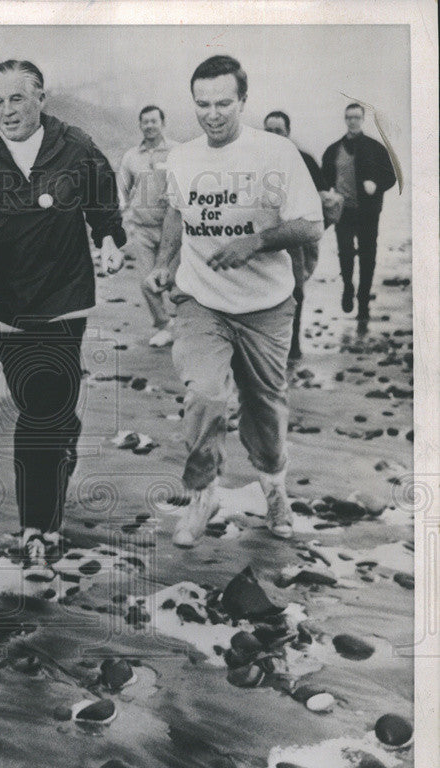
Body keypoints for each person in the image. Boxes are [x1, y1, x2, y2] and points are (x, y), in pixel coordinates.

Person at [0, 59, 125, 563]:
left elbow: (103, 202)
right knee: (43, 405)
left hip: (62, 299)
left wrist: (108, 239)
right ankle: (55, 470)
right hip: (4, 303)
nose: (7, 111)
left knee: (44, 409)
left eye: (17, 99)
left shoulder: (75, 146)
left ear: (41, 96)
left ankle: (39, 527)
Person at [146, 55, 323, 547]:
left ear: (243, 101)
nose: (213, 114)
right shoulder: (182, 158)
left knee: (266, 412)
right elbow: (175, 216)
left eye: (224, 103)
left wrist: (256, 242)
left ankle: (274, 490)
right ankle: (203, 494)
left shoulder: (275, 153)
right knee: (204, 395)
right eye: (203, 104)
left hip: (266, 306)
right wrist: (163, 263)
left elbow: (311, 224)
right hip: (202, 300)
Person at [321, 102, 397, 321]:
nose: (352, 121)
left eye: (356, 117)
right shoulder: (333, 150)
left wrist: (376, 185)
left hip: (368, 213)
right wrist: (327, 197)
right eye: (349, 117)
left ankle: (363, 302)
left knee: (367, 257)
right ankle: (347, 288)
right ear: (345, 119)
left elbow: (392, 177)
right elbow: (323, 180)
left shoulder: (375, 148)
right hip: (343, 212)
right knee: (345, 253)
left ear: (362, 119)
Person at [117, 106, 178, 347]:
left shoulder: (177, 151)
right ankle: (164, 325)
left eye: (154, 121)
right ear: (140, 125)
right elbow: (122, 189)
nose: (150, 126)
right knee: (146, 281)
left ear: (163, 123)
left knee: (175, 281)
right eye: (145, 122)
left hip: (172, 227)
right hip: (141, 227)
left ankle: (185, 326)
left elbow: (189, 184)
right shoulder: (132, 156)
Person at [263, 110, 322, 360]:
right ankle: (267, 346)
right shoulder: (255, 160)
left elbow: (322, 198)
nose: (274, 135)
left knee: (295, 290)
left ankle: (294, 345)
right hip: (263, 237)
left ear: (288, 132)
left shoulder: (305, 160)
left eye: (278, 130)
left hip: (296, 238)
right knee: (265, 290)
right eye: (269, 131)